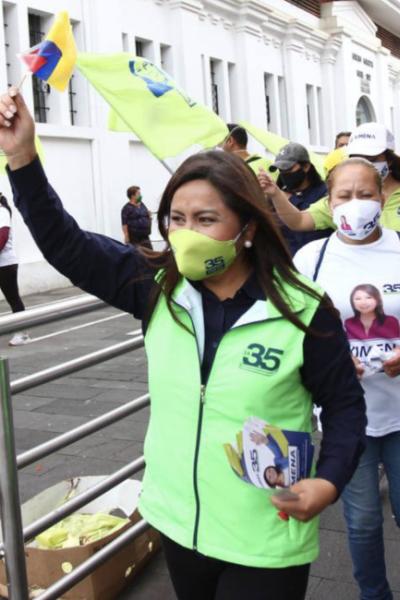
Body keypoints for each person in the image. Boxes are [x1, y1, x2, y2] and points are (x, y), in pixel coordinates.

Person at [0, 88, 367, 600]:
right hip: (178, 524)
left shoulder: (303, 308)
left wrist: (327, 481)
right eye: (176, 219)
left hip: (265, 534)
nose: (185, 234)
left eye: (206, 219)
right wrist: (21, 158)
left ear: (246, 227)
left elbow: (346, 405)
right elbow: (66, 243)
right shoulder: (155, 287)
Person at [290, 157, 400, 600]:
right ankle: (374, 595)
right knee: (363, 521)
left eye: (365, 194)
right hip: (345, 421)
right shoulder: (309, 259)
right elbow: (293, 330)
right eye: (344, 196)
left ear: (384, 196)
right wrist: (330, 363)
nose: (355, 204)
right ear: (328, 202)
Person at [259, 122, 400, 234]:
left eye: (372, 158)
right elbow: (299, 221)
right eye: (358, 158)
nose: (365, 164)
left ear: (389, 159)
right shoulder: (344, 197)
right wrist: (276, 194)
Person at [268, 142, 334, 255]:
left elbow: (303, 219)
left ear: (306, 166)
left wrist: (288, 199)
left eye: (288, 169)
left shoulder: (325, 193)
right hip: (287, 265)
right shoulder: (275, 195)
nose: (284, 174)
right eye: (281, 171)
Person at [0, 193, 29, 346]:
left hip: (5, 264)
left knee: (13, 298)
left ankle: (22, 334)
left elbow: (2, 237)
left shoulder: (2, 212)